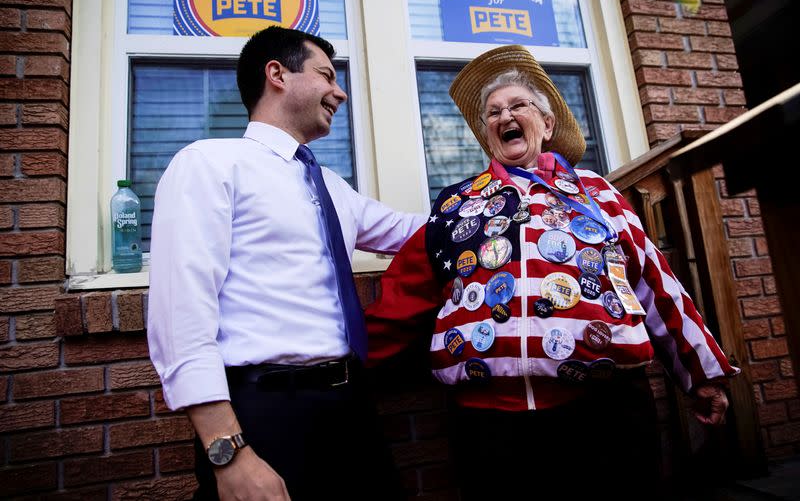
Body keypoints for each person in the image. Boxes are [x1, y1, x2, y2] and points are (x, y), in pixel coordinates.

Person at [365, 45, 740, 500]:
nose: (505, 115)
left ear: (546, 124)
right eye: (493, 112)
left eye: (517, 105)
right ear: (488, 136)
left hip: (603, 412)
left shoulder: (596, 193)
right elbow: (405, 295)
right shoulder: (455, 205)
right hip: (489, 424)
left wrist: (701, 375)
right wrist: (349, 365)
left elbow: (656, 285)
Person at [147, 26, 425, 501]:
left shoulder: (333, 186)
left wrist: (514, 195)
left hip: (352, 406)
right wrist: (228, 452)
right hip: (266, 414)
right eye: (326, 74)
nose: (339, 91)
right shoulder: (210, 164)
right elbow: (181, 318)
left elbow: (416, 231)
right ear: (277, 73)